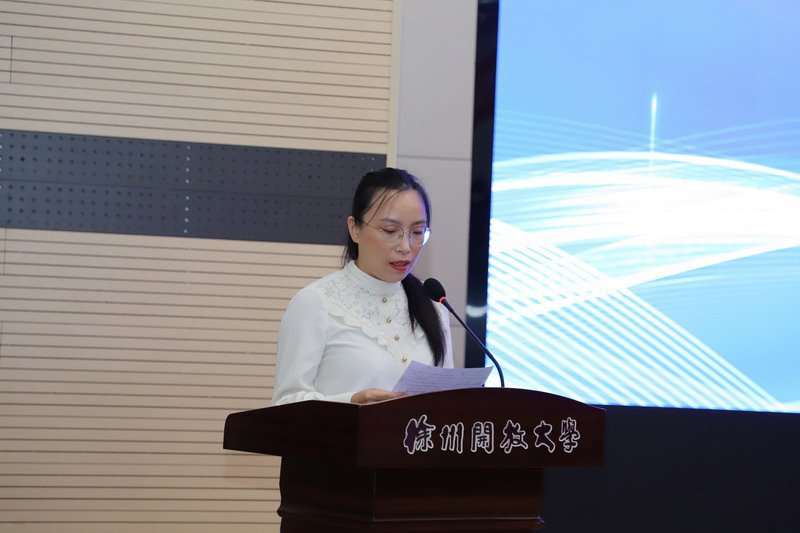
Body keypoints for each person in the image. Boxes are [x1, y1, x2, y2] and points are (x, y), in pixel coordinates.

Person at [271, 168, 453, 405]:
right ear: (355, 228)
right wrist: (352, 402)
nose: (406, 247)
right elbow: (285, 403)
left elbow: (448, 402)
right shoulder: (316, 303)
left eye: (417, 232)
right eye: (390, 231)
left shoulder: (433, 305)